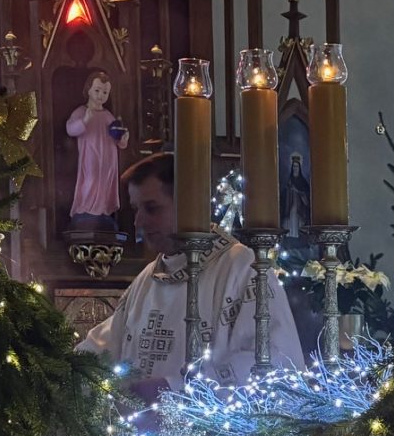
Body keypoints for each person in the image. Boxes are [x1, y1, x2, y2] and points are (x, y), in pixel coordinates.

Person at [78, 151, 301, 396]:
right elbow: (104, 346)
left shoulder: (245, 268)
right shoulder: (148, 277)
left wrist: (174, 387)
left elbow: (275, 360)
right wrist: (62, 369)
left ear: (189, 205)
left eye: (151, 208)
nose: (138, 222)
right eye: (135, 209)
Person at [64, 70, 127, 224]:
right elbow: (70, 129)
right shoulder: (81, 112)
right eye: (97, 90)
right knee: (90, 180)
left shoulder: (108, 115)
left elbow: (117, 138)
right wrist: (85, 120)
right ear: (88, 90)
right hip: (91, 155)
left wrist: (123, 139)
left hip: (108, 158)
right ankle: (87, 209)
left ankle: (103, 210)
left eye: (105, 92)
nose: (101, 95)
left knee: (105, 182)